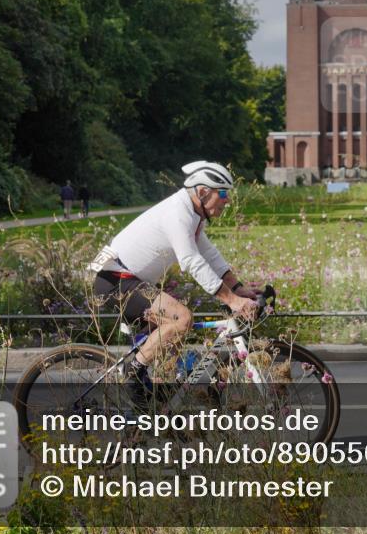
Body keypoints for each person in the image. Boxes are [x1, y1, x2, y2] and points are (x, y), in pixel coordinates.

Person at [88, 161, 258, 406]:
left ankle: (152, 408)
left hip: (131, 281)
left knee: (174, 337)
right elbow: (191, 260)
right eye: (222, 193)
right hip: (116, 281)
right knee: (182, 318)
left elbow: (210, 257)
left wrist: (239, 289)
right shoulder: (177, 214)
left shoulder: (192, 215)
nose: (227, 200)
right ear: (202, 192)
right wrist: (232, 300)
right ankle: (133, 373)